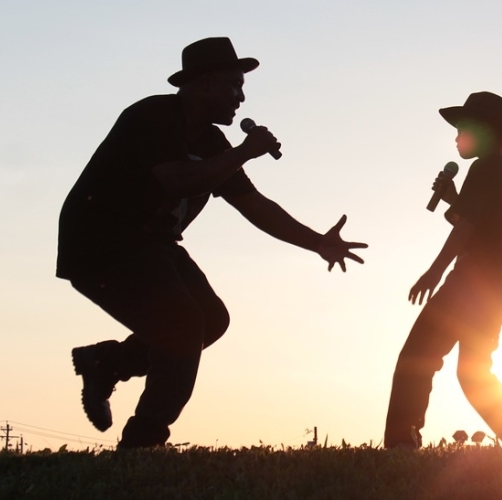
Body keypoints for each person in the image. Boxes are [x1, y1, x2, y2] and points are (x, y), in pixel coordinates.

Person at [57, 37, 366, 448]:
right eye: (233, 86)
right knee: (183, 327)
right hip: (102, 243)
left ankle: (107, 362)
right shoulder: (152, 116)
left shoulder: (212, 144)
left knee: (210, 320)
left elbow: (254, 205)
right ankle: (142, 445)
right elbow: (177, 178)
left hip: (152, 245)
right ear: (203, 85)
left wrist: (318, 243)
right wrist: (244, 152)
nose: (240, 98)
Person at [383, 91, 502, 449]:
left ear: (486, 132)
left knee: (416, 357)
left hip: (470, 286)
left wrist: (434, 272)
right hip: (500, 290)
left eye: (464, 129)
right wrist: (453, 199)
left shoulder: (485, 169)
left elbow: (467, 230)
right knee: (473, 373)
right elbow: (484, 224)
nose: (457, 137)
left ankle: (400, 443)